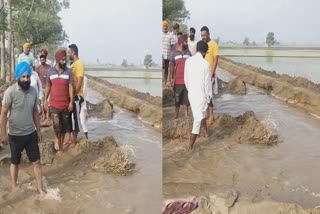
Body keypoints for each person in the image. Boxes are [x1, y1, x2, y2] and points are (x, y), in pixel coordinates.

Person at [0, 61, 46, 197]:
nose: (26, 79)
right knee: (15, 162)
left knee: (37, 161)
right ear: (18, 77)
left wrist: (38, 131)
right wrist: (3, 134)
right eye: (23, 76)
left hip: (30, 133)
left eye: (27, 76)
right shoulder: (10, 92)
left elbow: (35, 112)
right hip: (14, 135)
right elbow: (3, 114)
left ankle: (40, 188)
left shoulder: (33, 91)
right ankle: (14, 186)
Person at [44, 50, 74, 156]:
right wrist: (45, 99)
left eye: (65, 59)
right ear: (57, 60)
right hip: (54, 105)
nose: (64, 61)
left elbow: (71, 86)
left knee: (64, 127)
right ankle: (60, 148)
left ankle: (60, 145)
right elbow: (48, 85)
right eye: (62, 59)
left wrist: (71, 102)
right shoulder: (50, 72)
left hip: (65, 105)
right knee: (57, 126)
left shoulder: (68, 72)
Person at [184, 41, 211, 150]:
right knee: (198, 119)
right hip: (201, 95)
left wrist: (191, 90)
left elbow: (186, 80)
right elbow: (207, 84)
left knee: (201, 114)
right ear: (205, 52)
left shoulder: (188, 61)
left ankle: (205, 132)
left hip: (191, 94)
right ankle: (190, 147)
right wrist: (208, 98)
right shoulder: (205, 64)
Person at [201, 26, 219, 126]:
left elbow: (216, 59)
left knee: (209, 95)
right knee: (204, 95)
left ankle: (211, 116)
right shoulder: (202, 44)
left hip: (210, 74)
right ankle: (208, 115)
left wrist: (212, 73)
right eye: (202, 35)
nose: (203, 37)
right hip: (203, 74)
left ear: (208, 34)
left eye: (204, 35)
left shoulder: (213, 44)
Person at [67, 44, 84, 147]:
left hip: (76, 96)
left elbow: (80, 80)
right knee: (68, 117)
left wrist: (74, 94)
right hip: (71, 96)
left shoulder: (79, 64)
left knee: (75, 118)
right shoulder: (73, 64)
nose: (68, 54)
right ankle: (69, 138)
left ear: (73, 52)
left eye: (69, 52)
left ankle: (74, 140)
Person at [170, 35, 191, 118]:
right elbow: (171, 66)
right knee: (177, 99)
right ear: (182, 42)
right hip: (177, 81)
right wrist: (171, 78)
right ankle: (176, 115)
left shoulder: (188, 53)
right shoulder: (174, 53)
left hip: (187, 81)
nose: (187, 42)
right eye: (186, 41)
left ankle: (186, 115)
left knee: (186, 99)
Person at [36, 54, 52, 120]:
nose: (42, 60)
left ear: (45, 59)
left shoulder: (49, 67)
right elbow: (37, 78)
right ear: (40, 60)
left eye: (43, 59)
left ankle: (48, 115)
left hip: (48, 87)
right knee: (42, 102)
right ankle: (43, 115)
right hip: (41, 87)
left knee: (48, 101)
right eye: (41, 59)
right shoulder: (38, 68)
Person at [162, 20, 171, 86]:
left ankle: (165, 82)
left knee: (167, 70)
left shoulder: (170, 35)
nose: (165, 27)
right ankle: (162, 81)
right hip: (161, 55)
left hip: (168, 55)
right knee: (162, 68)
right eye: (164, 26)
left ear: (167, 27)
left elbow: (172, 45)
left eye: (166, 26)